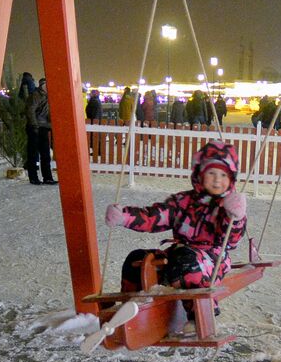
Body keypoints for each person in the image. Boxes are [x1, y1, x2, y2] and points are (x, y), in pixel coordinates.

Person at [104, 140, 248, 336]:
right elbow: (154, 217)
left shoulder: (227, 206)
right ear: (199, 174)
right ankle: (130, 308)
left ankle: (200, 315)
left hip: (212, 257)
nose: (217, 180)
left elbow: (231, 241)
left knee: (185, 261)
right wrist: (124, 217)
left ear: (231, 179)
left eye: (223, 175)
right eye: (211, 173)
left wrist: (237, 218)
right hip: (179, 252)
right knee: (137, 259)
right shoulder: (183, 202)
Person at [26, 78, 56, 185]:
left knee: (45, 154)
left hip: (43, 127)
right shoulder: (36, 95)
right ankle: (33, 177)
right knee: (34, 154)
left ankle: (47, 177)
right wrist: (34, 125)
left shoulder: (47, 96)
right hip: (35, 127)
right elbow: (30, 110)